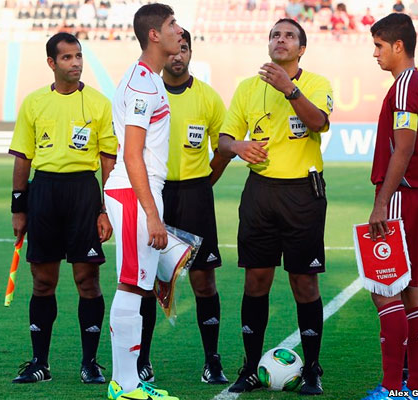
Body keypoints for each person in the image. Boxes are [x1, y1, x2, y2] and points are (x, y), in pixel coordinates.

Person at [218, 18, 334, 396]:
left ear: (301, 48)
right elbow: (224, 139)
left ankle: (313, 369)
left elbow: (319, 123)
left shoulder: (316, 83)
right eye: (274, 35)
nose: (279, 40)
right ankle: (250, 368)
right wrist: (237, 147)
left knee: (304, 282)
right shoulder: (247, 87)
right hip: (260, 193)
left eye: (288, 36)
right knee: (256, 281)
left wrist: (290, 89)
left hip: (304, 193)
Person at [8, 32, 117, 385]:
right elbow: (23, 157)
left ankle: (90, 362)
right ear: (52, 63)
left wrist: (105, 209)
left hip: (83, 194)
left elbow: (108, 161)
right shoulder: (34, 103)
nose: (76, 63)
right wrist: (19, 207)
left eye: (79, 56)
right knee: (43, 281)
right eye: (67, 58)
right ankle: (40, 362)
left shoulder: (99, 103)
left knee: (87, 279)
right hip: (44, 193)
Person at [135, 28, 230, 385]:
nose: (178, 55)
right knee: (146, 279)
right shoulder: (147, 91)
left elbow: (222, 147)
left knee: (204, 281)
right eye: (174, 49)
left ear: (190, 52)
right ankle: (142, 358)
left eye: (185, 49)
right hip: (155, 195)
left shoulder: (207, 97)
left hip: (195, 195)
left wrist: (204, 184)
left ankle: (212, 361)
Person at [103, 3, 183, 400]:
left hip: (144, 191)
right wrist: (152, 215)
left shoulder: (151, 79)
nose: (179, 30)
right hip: (135, 192)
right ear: (154, 34)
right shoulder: (140, 85)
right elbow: (131, 154)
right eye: (172, 24)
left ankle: (129, 380)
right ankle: (124, 384)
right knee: (132, 286)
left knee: (139, 286)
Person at [361, 13, 418, 400]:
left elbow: (403, 147)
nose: (375, 54)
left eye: (378, 46)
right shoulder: (416, 85)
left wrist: (382, 202)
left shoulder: (406, 87)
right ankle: (417, 387)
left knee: (384, 290)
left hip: (402, 198)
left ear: (398, 46)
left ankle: (392, 388)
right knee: (413, 291)